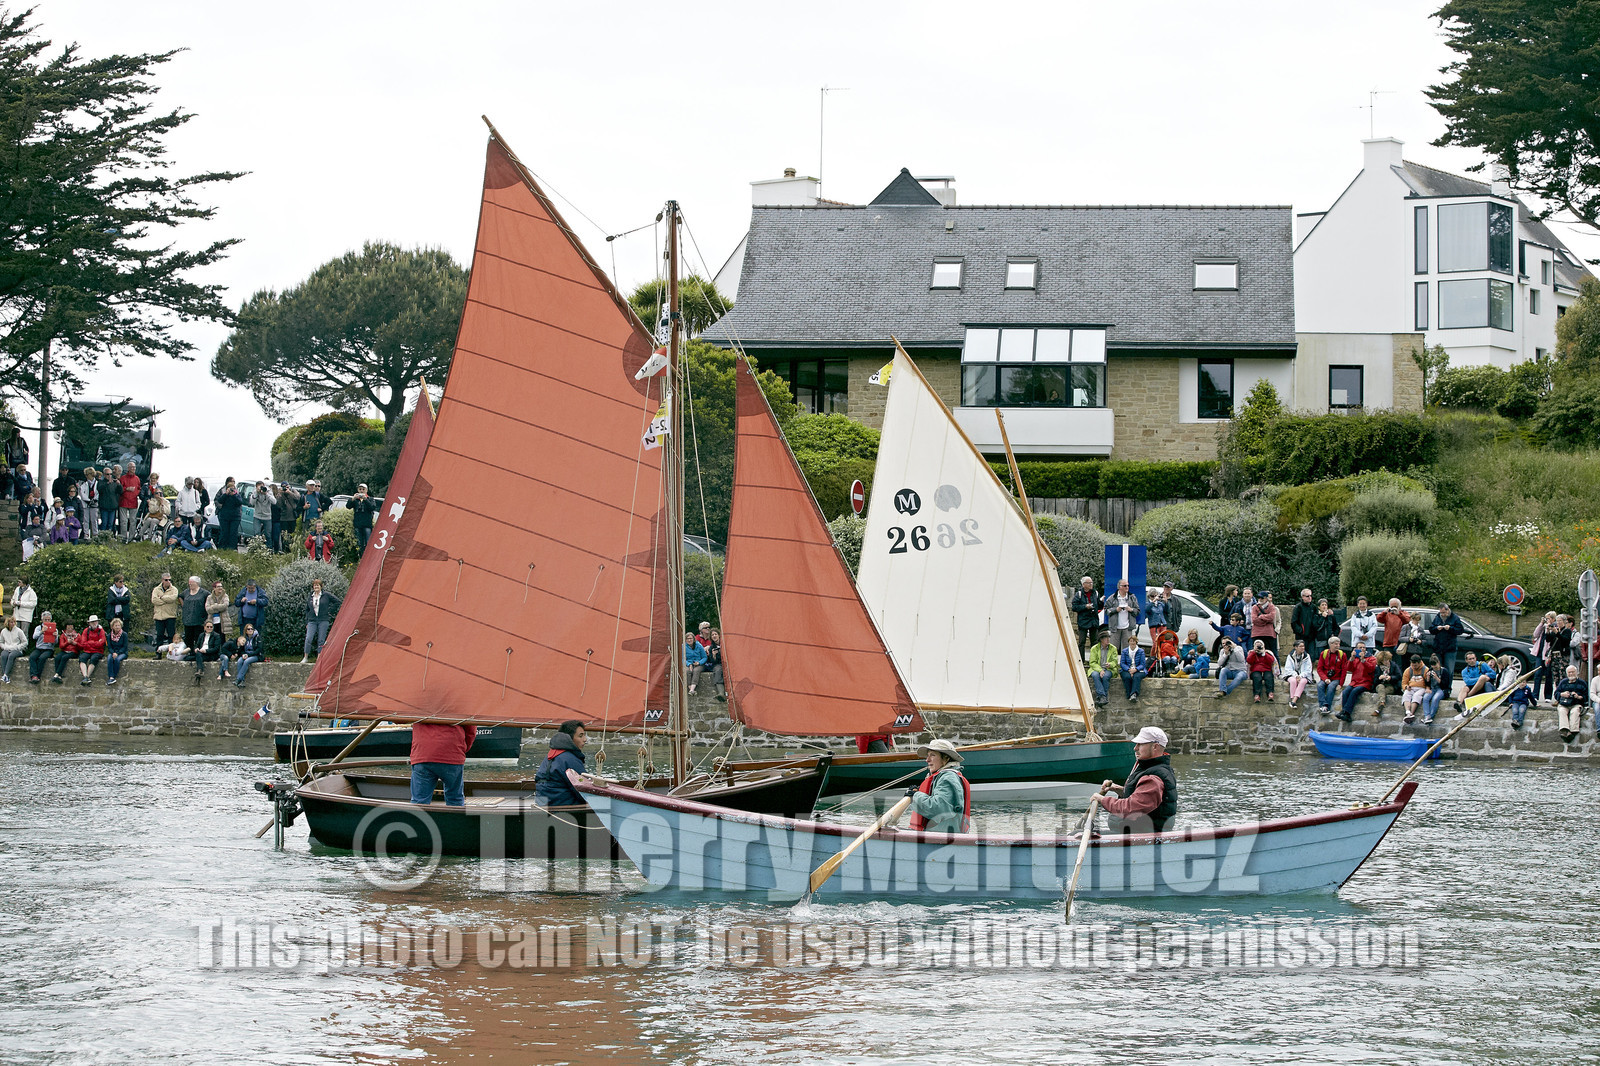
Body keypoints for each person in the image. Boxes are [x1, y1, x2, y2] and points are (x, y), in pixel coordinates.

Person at [1095, 726, 1177, 834]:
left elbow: (1131, 809)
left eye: (1140, 744)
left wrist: (1102, 800)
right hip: (1134, 832)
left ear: (1155, 747)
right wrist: (1119, 789)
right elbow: (1142, 798)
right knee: (1081, 834)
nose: (1135, 748)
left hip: (1141, 836)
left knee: (1077, 835)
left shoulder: (1153, 779)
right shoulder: (1152, 770)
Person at [906, 739, 971, 833]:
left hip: (943, 837)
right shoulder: (944, 777)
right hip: (939, 835)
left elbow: (939, 808)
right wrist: (918, 792)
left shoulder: (948, 778)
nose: (927, 760)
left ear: (946, 758)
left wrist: (915, 796)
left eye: (932, 755)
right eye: (927, 755)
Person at [409, 719, 478, 806]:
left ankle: (417, 814)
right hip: (452, 752)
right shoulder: (461, 709)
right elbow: (471, 729)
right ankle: (456, 813)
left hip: (423, 753)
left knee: (419, 800)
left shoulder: (418, 710)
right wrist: (462, 749)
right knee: (455, 799)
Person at [533, 720, 588, 807]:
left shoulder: (552, 755)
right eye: (580, 736)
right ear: (569, 738)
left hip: (544, 803)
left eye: (584, 735)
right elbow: (583, 789)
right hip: (562, 806)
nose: (585, 739)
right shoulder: (570, 759)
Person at [301, 578, 340, 662]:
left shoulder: (326, 595)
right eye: (314, 585)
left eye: (317, 585)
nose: (316, 587)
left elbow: (337, 602)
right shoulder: (310, 596)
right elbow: (307, 609)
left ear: (321, 586)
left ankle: (319, 658)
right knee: (308, 638)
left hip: (323, 620)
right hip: (312, 621)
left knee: (321, 640)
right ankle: (305, 657)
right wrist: (307, 621)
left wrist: (329, 611)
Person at [1428, 603, 1467, 682]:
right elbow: (1431, 629)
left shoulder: (1455, 618)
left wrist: (1450, 628)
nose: (1442, 614)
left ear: (1448, 610)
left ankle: (1447, 687)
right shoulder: (1437, 617)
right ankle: (1438, 686)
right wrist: (1436, 628)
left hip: (1450, 648)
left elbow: (1460, 630)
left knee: (1449, 669)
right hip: (1438, 648)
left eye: (1444, 613)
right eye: (1441, 613)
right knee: (1437, 668)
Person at [1339, 645, 1376, 721]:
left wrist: (1363, 660)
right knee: (1345, 692)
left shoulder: (1371, 658)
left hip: (1365, 682)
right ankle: (1344, 712)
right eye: (1360, 648)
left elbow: (1371, 669)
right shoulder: (1355, 659)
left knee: (1354, 692)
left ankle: (1347, 712)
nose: (1362, 649)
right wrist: (1351, 659)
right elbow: (1349, 669)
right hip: (1354, 682)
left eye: (1363, 647)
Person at [1102, 580, 1139, 654]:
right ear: (1119, 587)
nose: (1127, 587)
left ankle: (1125, 661)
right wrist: (1116, 610)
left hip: (1127, 627)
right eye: (1125, 586)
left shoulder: (1132, 597)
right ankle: (1112, 661)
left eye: (1128, 585)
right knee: (1113, 649)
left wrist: (1131, 609)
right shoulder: (1112, 598)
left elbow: (1137, 611)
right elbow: (1106, 610)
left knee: (1127, 650)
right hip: (1115, 627)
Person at [1315, 636, 1348, 715]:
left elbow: (1344, 670)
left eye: (1338, 644)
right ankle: (1323, 705)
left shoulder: (1342, 655)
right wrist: (1325, 678)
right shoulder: (1324, 654)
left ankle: (1327, 707)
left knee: (1331, 687)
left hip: (1336, 678)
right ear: (1330, 644)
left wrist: (1341, 684)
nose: (1338, 646)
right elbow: (1319, 669)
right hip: (1326, 677)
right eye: (1336, 644)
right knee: (1320, 685)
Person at [1554, 664, 1587, 742]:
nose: (1571, 674)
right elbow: (1556, 693)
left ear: (1576, 672)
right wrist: (1562, 694)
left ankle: (1573, 731)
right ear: (1567, 673)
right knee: (1562, 711)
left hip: (1576, 703)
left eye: (1573, 672)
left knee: (1574, 712)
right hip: (1564, 703)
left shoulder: (1582, 683)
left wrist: (1578, 697)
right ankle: (1564, 730)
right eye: (1569, 672)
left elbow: (1586, 696)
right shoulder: (1563, 682)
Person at [1070, 576, 1099, 661]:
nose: (1091, 584)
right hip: (1083, 621)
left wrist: (1101, 601)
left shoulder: (1095, 593)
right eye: (1089, 583)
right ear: (1083, 584)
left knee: (1094, 642)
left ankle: (1093, 660)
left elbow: (1098, 605)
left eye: (1091, 582)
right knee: (1082, 642)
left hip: (1093, 620)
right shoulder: (1079, 594)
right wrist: (1085, 606)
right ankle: (1081, 660)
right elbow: (1074, 607)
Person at [1086, 629, 1116, 707]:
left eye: (1109, 638)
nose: (1108, 639)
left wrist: (1110, 664)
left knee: (1105, 676)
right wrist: (1100, 670)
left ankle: (1101, 697)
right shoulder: (1094, 648)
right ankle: (1103, 696)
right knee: (1095, 675)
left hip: (1109, 669)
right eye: (1106, 638)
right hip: (1096, 669)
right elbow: (1092, 662)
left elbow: (1115, 661)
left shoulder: (1113, 648)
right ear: (1101, 639)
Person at [1281, 639, 1314, 709]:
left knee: (1303, 682)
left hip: (1304, 675)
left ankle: (1294, 700)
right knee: (1293, 681)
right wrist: (1296, 675)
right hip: (1292, 675)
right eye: (1300, 646)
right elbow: (1288, 668)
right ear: (1296, 647)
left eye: (1303, 646)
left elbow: (1308, 669)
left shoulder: (1307, 656)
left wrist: (1300, 676)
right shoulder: (1290, 656)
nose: (1303, 648)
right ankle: (1292, 698)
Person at [151, 573, 180, 652]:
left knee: (171, 635)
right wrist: (166, 601)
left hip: (170, 616)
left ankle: (172, 652)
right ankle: (158, 653)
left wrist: (161, 597)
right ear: (162, 580)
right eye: (166, 580)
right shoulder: (156, 589)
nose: (168, 581)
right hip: (159, 616)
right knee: (159, 636)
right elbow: (154, 600)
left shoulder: (174, 589)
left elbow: (173, 598)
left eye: (170, 580)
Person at [27, 611, 58, 683]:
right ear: (42, 620)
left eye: (48, 620)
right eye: (45, 620)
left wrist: (55, 636)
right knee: (32, 657)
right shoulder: (38, 628)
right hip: (39, 648)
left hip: (48, 649)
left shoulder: (54, 629)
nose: (47, 621)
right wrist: (41, 631)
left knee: (42, 658)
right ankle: (33, 675)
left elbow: (56, 642)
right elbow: (34, 637)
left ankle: (37, 675)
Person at [75, 616, 107, 685]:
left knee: (94, 658)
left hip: (98, 651)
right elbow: (83, 643)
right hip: (87, 651)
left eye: (95, 621)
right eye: (92, 622)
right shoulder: (86, 631)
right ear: (89, 623)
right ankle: (85, 677)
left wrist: (90, 642)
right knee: (82, 658)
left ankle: (87, 677)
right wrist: (95, 643)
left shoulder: (101, 631)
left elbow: (101, 643)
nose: (94, 623)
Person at [179, 576, 209, 649]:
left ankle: (198, 652)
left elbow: (210, 598)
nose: (190, 584)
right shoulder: (186, 592)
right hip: (187, 620)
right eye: (189, 582)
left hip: (199, 620)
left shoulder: (204, 593)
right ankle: (190, 652)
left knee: (198, 638)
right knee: (188, 639)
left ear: (197, 583)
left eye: (191, 582)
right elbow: (180, 596)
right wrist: (184, 606)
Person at [214, 477, 242, 549]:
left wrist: (234, 495)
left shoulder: (237, 493)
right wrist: (226, 494)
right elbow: (219, 501)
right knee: (224, 533)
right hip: (224, 516)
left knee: (233, 533)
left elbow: (240, 502)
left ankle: (232, 548)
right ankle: (222, 548)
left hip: (235, 516)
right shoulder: (222, 491)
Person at [1251, 591, 1280, 656]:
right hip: (1257, 634)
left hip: (1269, 634)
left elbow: (1272, 618)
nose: (1260, 599)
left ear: (1266, 598)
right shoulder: (1254, 607)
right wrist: (1266, 621)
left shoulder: (1271, 607)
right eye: (1259, 598)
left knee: (1272, 653)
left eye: (1262, 598)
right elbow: (1254, 619)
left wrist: (1261, 617)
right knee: (1256, 653)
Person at [1290, 588, 1318, 656]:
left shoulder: (1313, 607)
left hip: (1311, 636)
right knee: (1301, 654)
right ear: (1303, 597)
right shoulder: (1298, 607)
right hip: (1301, 637)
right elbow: (1294, 622)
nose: (1310, 597)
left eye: (1310, 596)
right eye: (1307, 596)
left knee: (1311, 655)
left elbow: (1316, 620)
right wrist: (1301, 631)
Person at [351, 483, 378, 553]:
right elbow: (348, 506)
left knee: (368, 543)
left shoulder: (370, 499)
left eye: (363, 489)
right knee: (359, 544)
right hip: (358, 524)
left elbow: (372, 507)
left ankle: (368, 556)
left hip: (367, 524)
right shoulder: (356, 500)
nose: (361, 491)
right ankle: (360, 556)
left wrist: (365, 499)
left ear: (366, 490)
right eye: (360, 489)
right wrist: (353, 499)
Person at [1400, 654, 1428, 723]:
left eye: (1415, 665)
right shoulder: (1408, 670)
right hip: (1411, 687)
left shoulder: (1425, 670)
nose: (1414, 667)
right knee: (1406, 694)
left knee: (1416, 696)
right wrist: (1406, 687)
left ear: (1419, 663)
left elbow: (1428, 682)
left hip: (1421, 688)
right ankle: (1407, 712)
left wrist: (1427, 688)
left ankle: (1412, 713)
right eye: (1412, 665)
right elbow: (1404, 682)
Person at [1422, 654, 1448, 725]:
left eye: (1435, 665)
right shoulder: (1430, 670)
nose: (1434, 667)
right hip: (1433, 688)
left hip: (1441, 689)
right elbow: (1427, 683)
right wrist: (1428, 678)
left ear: (1438, 662)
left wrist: (1437, 678)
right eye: (1432, 665)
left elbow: (1445, 685)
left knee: (1435, 699)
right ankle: (1427, 715)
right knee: (1425, 698)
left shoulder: (1444, 671)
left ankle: (1431, 716)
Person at [118, 465, 141, 540]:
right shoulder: (123, 478)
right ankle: (123, 537)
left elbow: (139, 489)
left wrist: (136, 493)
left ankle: (131, 538)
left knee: (133, 521)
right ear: (128, 468)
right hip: (123, 501)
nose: (133, 468)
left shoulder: (137, 478)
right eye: (132, 467)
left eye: (134, 467)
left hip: (133, 502)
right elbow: (119, 489)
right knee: (123, 521)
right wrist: (127, 488)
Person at [0, 616, 26, 683]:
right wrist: (5, 647)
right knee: (3, 655)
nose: (13, 623)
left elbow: (25, 642)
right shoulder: (3, 631)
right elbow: (1, 642)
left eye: (14, 622)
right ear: (7, 623)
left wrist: (17, 647)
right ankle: (5, 675)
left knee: (11, 656)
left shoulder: (19, 631)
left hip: (17, 650)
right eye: (11, 622)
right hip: (7, 649)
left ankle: (5, 675)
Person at [704, 625, 726, 701]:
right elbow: (713, 662)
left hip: (727, 662)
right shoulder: (711, 647)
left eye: (715, 634)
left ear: (719, 635)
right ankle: (721, 693)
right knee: (717, 670)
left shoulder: (724, 643)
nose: (714, 636)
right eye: (712, 635)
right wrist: (713, 656)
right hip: (718, 664)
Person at [105, 618, 129, 686]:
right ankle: (111, 677)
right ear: (112, 626)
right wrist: (113, 653)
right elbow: (109, 647)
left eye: (119, 625)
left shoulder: (124, 634)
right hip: (113, 652)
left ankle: (114, 676)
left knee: (117, 660)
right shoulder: (109, 635)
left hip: (122, 652)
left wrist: (117, 653)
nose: (117, 627)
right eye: (116, 625)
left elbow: (125, 647)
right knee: (109, 658)